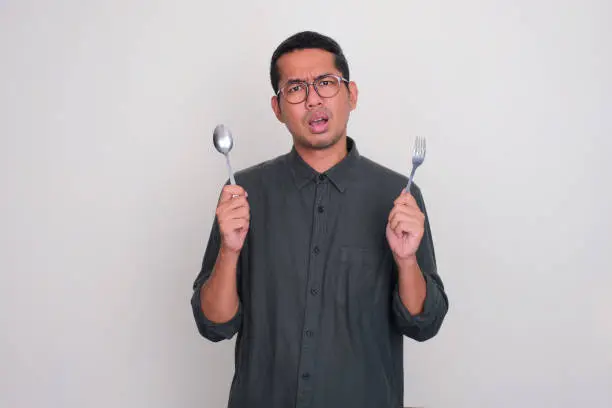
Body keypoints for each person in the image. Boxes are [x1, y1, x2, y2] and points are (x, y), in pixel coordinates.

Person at [191, 31, 449, 408]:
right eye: (295, 88)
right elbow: (214, 325)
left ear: (352, 94)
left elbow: (423, 324)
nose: (313, 99)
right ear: (278, 108)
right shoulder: (243, 192)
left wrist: (407, 261)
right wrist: (230, 251)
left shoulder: (398, 197)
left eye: (326, 83)